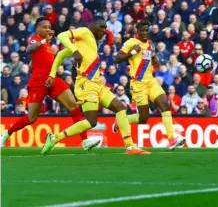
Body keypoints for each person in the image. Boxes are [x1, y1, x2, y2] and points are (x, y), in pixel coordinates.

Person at [41, 17, 148, 155]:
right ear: (93, 25)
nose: (104, 31)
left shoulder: (88, 42)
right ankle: (55, 138)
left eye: (105, 28)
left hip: (97, 84)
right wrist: (73, 51)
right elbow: (62, 35)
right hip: (85, 84)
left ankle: (130, 146)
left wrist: (52, 74)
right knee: (91, 121)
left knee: (120, 107)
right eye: (102, 27)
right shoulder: (85, 32)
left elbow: (61, 54)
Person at [1, 18, 99, 151]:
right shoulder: (35, 38)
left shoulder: (48, 45)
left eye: (49, 27)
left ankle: (85, 141)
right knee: (31, 118)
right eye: (44, 27)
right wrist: (43, 42)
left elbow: (36, 61)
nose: (48, 29)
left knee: (74, 106)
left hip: (53, 79)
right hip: (38, 82)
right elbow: (30, 49)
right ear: (37, 29)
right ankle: (7, 133)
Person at [114, 21, 185, 150]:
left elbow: (150, 58)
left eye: (147, 30)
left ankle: (171, 139)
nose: (145, 33)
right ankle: (122, 121)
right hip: (138, 84)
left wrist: (154, 60)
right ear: (137, 31)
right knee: (143, 118)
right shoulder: (131, 43)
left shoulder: (151, 44)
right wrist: (132, 53)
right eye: (142, 30)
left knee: (165, 104)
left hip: (151, 81)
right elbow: (116, 58)